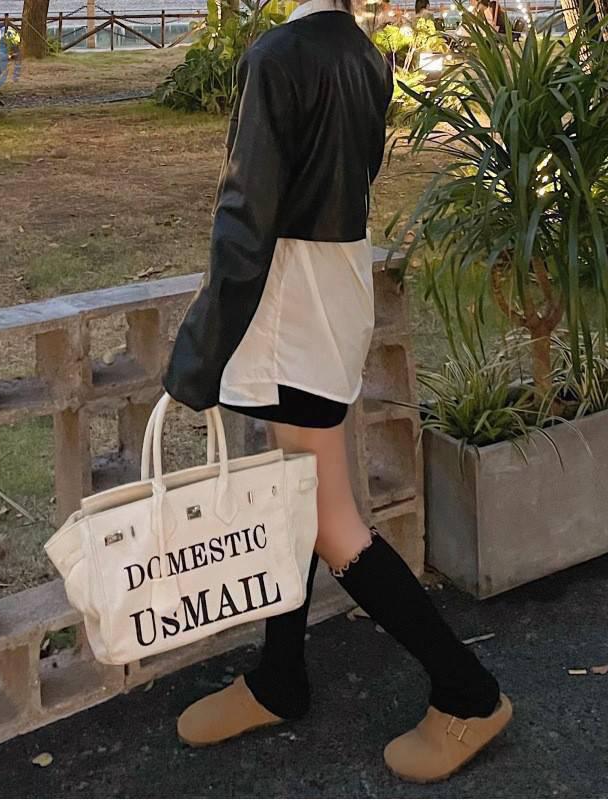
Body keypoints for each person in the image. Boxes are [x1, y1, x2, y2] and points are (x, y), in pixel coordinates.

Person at [162, 0, 511, 783]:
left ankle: (469, 692)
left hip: (289, 303)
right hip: (336, 284)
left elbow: (245, 214)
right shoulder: (365, 54)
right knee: (297, 497)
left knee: (328, 518)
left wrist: (196, 357)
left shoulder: (276, 55)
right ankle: (279, 677)